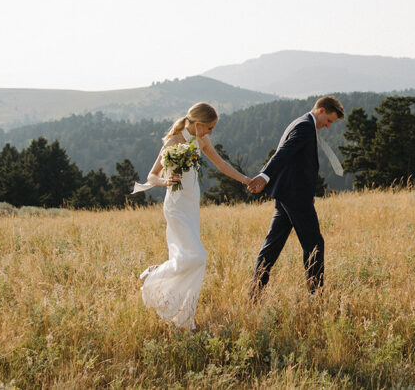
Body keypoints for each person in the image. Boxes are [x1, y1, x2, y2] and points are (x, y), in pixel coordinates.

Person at [135, 102, 253, 330]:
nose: (211, 132)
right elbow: (151, 176)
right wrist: (164, 181)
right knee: (198, 256)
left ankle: (183, 317)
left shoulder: (201, 140)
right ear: (198, 124)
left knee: (189, 259)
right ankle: (154, 274)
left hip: (192, 206)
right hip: (176, 206)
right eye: (209, 128)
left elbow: (221, 164)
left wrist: (246, 180)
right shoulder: (173, 141)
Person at [247, 95, 345, 295]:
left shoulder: (300, 122)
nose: (327, 126)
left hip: (289, 194)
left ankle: (255, 291)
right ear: (321, 111)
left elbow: (299, 164)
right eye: (329, 121)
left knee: (272, 246)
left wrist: (308, 192)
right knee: (314, 244)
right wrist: (264, 176)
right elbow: (283, 153)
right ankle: (316, 294)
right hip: (294, 196)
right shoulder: (305, 127)